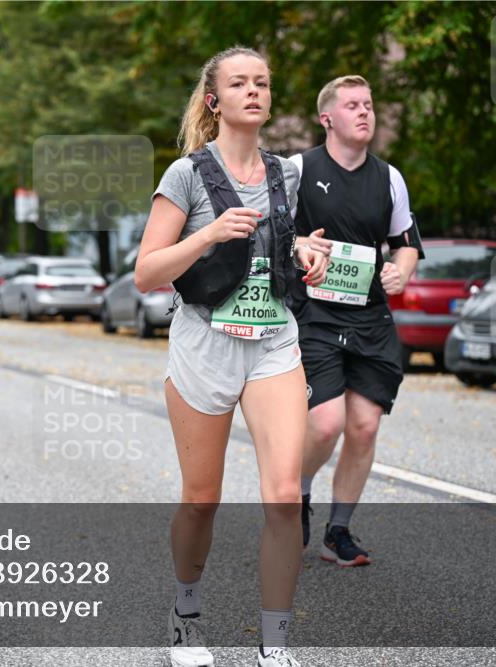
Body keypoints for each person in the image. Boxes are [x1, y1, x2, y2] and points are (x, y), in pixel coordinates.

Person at [134, 47, 329, 667]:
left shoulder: (287, 174)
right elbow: (145, 273)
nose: (255, 91)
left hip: (274, 342)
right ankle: (186, 618)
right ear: (214, 101)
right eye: (240, 83)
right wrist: (210, 233)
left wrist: (305, 252)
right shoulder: (186, 175)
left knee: (282, 493)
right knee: (201, 499)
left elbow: (283, 243)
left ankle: (276, 646)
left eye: (263, 83)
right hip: (204, 346)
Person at [288, 75, 422, 567]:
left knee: (363, 427)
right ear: (328, 118)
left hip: (369, 318)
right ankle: (297, 491)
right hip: (314, 316)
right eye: (352, 105)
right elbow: (269, 230)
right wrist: (299, 245)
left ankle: (337, 532)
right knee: (326, 423)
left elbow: (406, 244)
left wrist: (399, 272)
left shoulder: (389, 177)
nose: (364, 112)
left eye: (368, 104)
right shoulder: (297, 169)